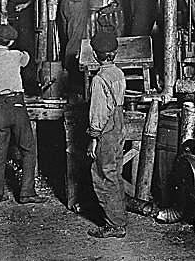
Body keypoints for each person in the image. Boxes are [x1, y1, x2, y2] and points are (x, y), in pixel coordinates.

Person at [0, 24, 47, 206]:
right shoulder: (16, 55)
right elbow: (27, 58)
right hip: (17, 105)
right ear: (11, 42)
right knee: (28, 149)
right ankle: (26, 193)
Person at [86, 31, 127, 239]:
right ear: (115, 54)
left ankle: (115, 225)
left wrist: (94, 139)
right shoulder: (119, 73)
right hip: (119, 126)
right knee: (115, 174)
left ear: (95, 55)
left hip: (106, 130)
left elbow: (98, 113)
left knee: (103, 176)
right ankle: (120, 218)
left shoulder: (99, 79)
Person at [6, 0, 41, 93]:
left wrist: (26, 5)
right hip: (12, 9)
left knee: (27, 46)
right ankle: (12, 82)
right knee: (12, 45)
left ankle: (29, 83)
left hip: (27, 11)